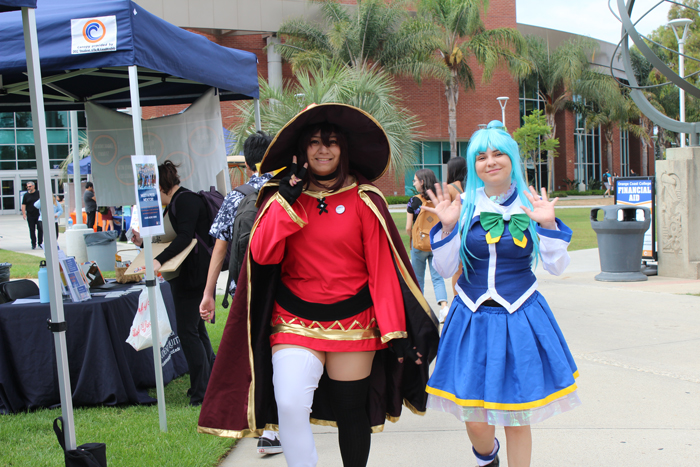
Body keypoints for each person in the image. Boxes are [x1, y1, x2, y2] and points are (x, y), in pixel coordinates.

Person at [197, 103, 439, 467]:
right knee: (291, 403)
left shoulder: (365, 199)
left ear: (343, 149)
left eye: (331, 142)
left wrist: (395, 331)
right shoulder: (279, 197)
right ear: (302, 149)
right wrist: (286, 203)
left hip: (354, 323)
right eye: (314, 142)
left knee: (351, 412)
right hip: (293, 321)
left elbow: (382, 270)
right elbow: (261, 255)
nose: (323, 149)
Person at [423, 121, 579, 467]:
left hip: (520, 317)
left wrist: (549, 225)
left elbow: (556, 268)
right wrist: (448, 227)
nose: (490, 162)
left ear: (511, 158)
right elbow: (446, 270)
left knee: (516, 415)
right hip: (472, 318)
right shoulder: (462, 205)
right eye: (481, 157)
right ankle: (486, 457)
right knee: (476, 419)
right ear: (474, 164)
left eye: (497, 154)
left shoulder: (531, 203)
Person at [198, 130, 281, 455]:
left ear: (247, 165)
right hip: (284, 287)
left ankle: (263, 423)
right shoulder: (288, 190)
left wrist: (208, 294)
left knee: (254, 354)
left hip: (245, 289)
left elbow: (219, 249)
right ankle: (278, 425)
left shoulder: (237, 195)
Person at [131, 161, 215, 406]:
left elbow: (185, 238)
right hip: (183, 275)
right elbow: (169, 238)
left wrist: (158, 260)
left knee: (189, 332)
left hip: (192, 276)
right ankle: (205, 384)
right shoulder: (174, 203)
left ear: (161, 185)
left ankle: (202, 391)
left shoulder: (185, 200)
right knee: (196, 329)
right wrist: (141, 244)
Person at [406, 169, 449, 322]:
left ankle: (421, 310)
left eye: (415, 180)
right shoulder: (439, 199)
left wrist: (413, 238)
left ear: (422, 182)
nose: (414, 183)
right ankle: (444, 307)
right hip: (435, 244)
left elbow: (408, 227)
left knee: (418, 278)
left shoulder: (413, 201)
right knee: (437, 278)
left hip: (419, 245)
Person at [446, 156, 467, 297]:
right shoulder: (469, 187)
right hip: (469, 229)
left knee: (457, 271)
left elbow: (446, 212)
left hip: (456, 232)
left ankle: (456, 300)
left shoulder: (450, 188)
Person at [21, 181, 42, 250]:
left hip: (38, 214)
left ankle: (40, 243)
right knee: (32, 230)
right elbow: (24, 205)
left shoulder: (38, 193)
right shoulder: (26, 195)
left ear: (33, 186)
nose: (28, 188)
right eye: (27, 187)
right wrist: (24, 213)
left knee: (40, 229)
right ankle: (33, 244)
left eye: (29, 186)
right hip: (30, 215)